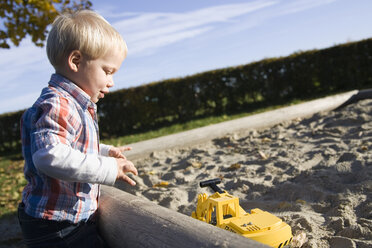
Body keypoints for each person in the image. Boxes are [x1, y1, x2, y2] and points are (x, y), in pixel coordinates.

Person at [18, 10, 138, 248]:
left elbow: (68, 144)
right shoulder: (59, 104)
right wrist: (108, 168)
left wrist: (102, 151)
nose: (111, 82)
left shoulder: (71, 103)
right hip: (58, 226)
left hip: (60, 222)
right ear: (75, 61)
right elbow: (50, 157)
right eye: (107, 71)